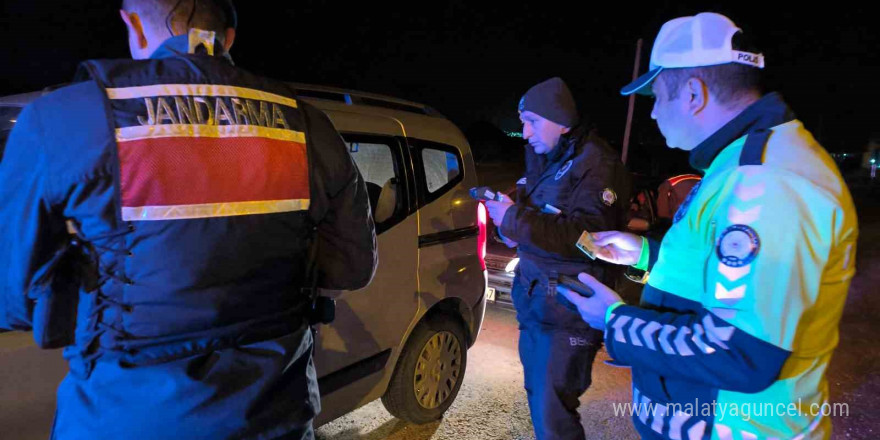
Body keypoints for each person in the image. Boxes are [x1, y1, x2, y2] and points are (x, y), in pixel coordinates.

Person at [0, 1, 377, 438]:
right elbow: (353, 267)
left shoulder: (60, 118)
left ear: (134, 24)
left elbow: (13, 300)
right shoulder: (307, 123)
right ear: (229, 38)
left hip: (122, 420)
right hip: (275, 415)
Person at [558, 12, 858, 439]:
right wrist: (645, 254)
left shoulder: (769, 180)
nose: (655, 114)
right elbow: (726, 269)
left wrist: (613, 319)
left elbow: (739, 350)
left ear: (694, 94)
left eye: (657, 98)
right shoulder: (740, 162)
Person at [485, 77, 630, 440]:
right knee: (543, 404)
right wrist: (508, 223)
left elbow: (591, 238)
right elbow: (535, 215)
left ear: (561, 120)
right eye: (522, 121)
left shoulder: (596, 164)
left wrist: (514, 220)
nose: (525, 130)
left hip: (567, 312)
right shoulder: (545, 157)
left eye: (532, 120)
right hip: (535, 302)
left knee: (554, 417)